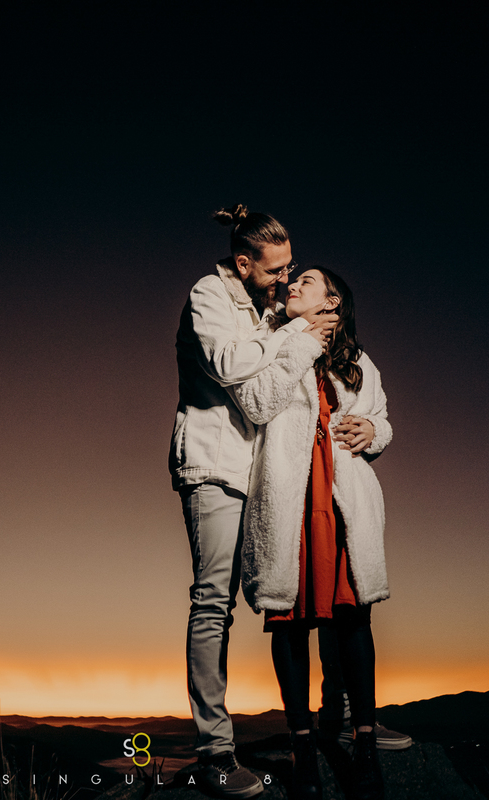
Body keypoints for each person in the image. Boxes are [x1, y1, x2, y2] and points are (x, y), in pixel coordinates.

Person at [169, 205, 337, 798]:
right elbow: (228, 365)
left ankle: (335, 721)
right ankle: (215, 752)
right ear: (243, 263)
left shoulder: (263, 306)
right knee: (212, 601)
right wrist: (292, 333)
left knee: (284, 594)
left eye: (292, 269)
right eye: (276, 270)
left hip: (260, 473)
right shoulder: (209, 294)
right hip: (213, 466)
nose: (285, 280)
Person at [231, 267, 395, 800]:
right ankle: (303, 748)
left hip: (342, 497)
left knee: (352, 616)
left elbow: (382, 419)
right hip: (290, 494)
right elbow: (255, 403)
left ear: (334, 301)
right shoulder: (274, 338)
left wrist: (373, 431)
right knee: (290, 619)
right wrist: (300, 340)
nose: (293, 284)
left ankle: (364, 745)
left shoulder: (360, 360)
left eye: (307, 280)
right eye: (292, 280)